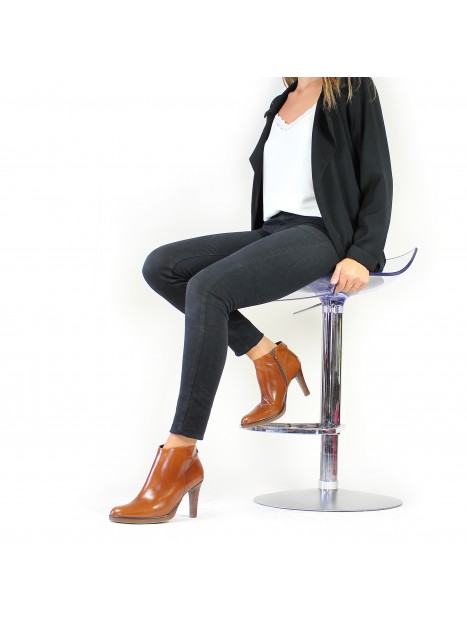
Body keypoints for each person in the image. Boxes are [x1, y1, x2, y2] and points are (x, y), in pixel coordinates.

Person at [109, 77, 393, 524]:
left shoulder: (350, 87)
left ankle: (180, 455)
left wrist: (363, 252)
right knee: (161, 266)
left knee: (208, 287)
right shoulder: (281, 102)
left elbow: (377, 174)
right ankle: (268, 356)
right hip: (275, 230)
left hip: (324, 234)